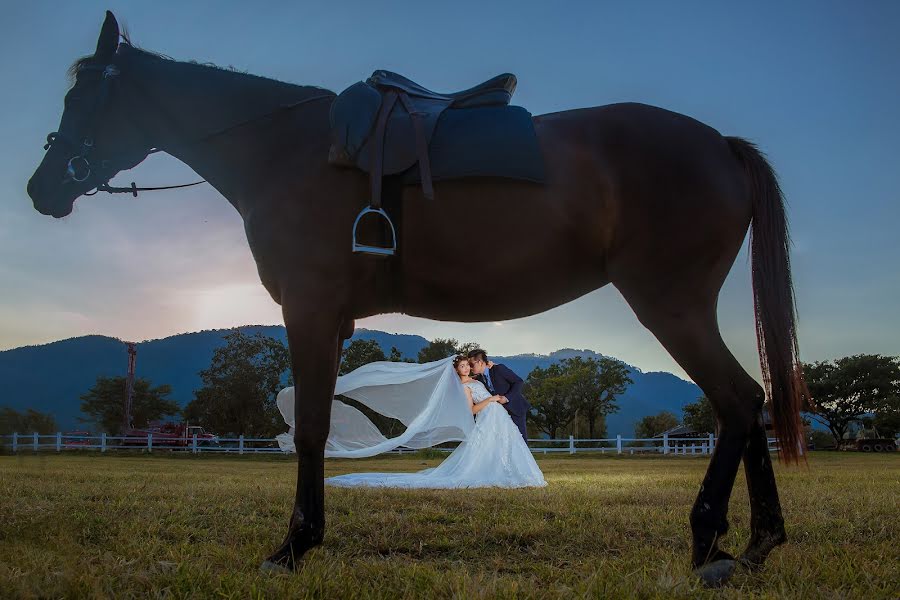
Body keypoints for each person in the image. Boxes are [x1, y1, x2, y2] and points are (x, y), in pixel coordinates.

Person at [325, 355, 546, 489]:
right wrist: (491, 399)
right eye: (462, 367)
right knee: (484, 453)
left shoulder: (476, 379)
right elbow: (472, 410)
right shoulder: (464, 387)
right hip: (488, 416)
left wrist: (490, 366)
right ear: (456, 370)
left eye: (467, 365)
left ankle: (512, 474)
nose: (466, 368)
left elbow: (490, 375)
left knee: (507, 446)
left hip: (499, 417)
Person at [468, 349, 529, 441]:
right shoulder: (478, 380)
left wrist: (507, 398)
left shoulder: (498, 369)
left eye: (471, 365)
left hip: (515, 409)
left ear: (480, 362)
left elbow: (518, 381)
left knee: (520, 441)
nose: (470, 368)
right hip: (499, 415)